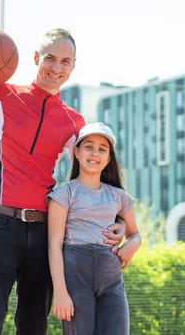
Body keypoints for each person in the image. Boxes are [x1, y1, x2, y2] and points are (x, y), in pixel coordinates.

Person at [0, 28, 126, 335]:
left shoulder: (75, 123)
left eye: (65, 61)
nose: (56, 67)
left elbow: (88, 184)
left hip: (44, 232)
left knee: (34, 326)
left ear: (73, 66)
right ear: (36, 58)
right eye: (50, 58)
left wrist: (122, 223)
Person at [47, 122, 142, 335]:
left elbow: (135, 234)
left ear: (108, 158)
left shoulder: (119, 197)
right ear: (77, 152)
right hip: (75, 277)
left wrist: (132, 246)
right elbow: (54, 245)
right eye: (89, 146)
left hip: (111, 280)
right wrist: (60, 292)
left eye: (102, 149)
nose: (95, 153)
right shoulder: (64, 195)